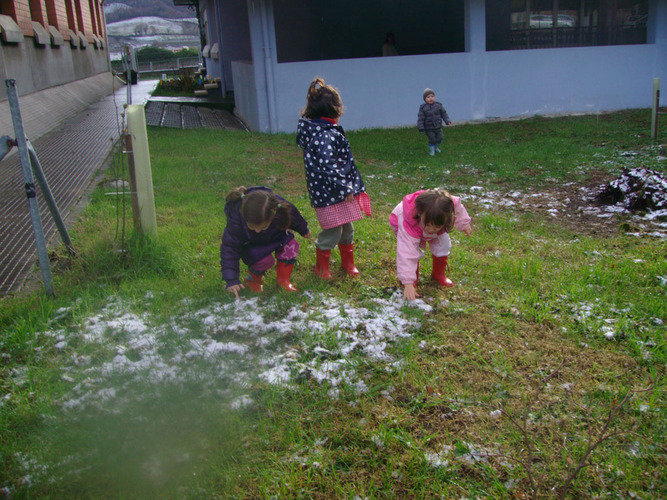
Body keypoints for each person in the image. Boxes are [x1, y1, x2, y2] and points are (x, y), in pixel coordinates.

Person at [296, 77, 372, 280]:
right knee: (333, 230)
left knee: (347, 228)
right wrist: (345, 188)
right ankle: (321, 268)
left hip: (335, 191)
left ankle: (348, 263)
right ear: (335, 110)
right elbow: (329, 166)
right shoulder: (324, 135)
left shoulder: (324, 130)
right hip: (330, 193)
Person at [221, 186, 310, 298]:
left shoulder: (278, 207)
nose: (257, 231)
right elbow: (229, 248)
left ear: (272, 217)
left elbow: (293, 215)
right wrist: (231, 279)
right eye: (252, 227)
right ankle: (254, 281)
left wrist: (303, 229)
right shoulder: (236, 221)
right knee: (264, 261)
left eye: (262, 227)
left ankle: (283, 281)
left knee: (290, 247)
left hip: (276, 236)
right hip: (253, 245)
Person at [390, 188, 472, 301]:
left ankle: (438, 274)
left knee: (443, 244)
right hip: (409, 224)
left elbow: (458, 210)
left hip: (428, 221)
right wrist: (408, 282)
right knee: (412, 250)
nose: (431, 229)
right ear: (420, 213)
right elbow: (406, 253)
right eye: (428, 225)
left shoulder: (448, 205)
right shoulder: (408, 223)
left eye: (436, 226)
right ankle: (412, 280)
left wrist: (464, 224)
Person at [418, 88, 452, 156]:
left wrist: (447, 121)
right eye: (428, 97)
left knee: (440, 138)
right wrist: (421, 127)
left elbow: (444, 114)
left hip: (438, 126)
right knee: (432, 139)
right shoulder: (423, 108)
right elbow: (421, 118)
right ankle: (432, 150)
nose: (430, 98)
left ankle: (435, 147)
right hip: (429, 128)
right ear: (425, 99)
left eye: (432, 96)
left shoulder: (438, 106)